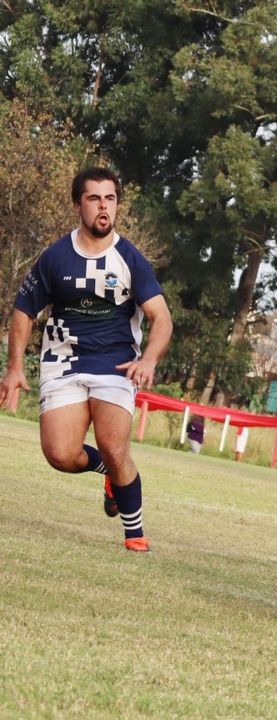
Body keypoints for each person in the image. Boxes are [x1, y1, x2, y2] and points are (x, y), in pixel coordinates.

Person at [1, 166, 173, 552]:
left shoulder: (130, 258)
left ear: (117, 205)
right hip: (63, 363)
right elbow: (23, 310)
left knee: (116, 448)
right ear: (78, 204)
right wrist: (14, 368)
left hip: (115, 365)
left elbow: (161, 318)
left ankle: (134, 533)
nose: (103, 207)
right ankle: (108, 474)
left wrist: (148, 359)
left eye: (110, 199)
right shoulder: (56, 257)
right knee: (60, 454)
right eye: (94, 198)